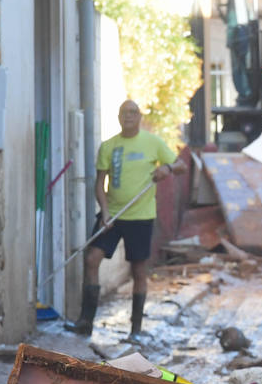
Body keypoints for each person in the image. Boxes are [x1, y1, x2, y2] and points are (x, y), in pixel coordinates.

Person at [67, 100, 187, 339]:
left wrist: (168, 170)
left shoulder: (153, 143)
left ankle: (135, 329)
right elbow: (99, 184)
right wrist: (105, 211)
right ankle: (85, 322)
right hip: (112, 215)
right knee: (92, 258)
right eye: (124, 113)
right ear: (119, 117)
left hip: (141, 216)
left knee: (139, 270)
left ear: (140, 117)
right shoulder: (109, 146)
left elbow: (180, 164)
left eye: (133, 112)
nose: (129, 116)